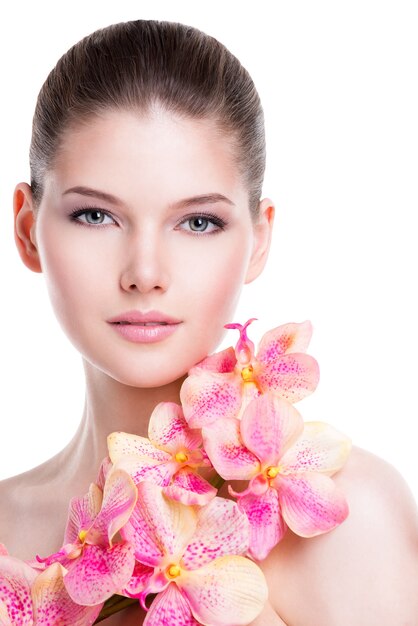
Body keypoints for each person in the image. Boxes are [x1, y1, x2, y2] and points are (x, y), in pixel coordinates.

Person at [1, 18, 417, 625]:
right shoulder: (8, 529)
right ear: (28, 230)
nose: (145, 272)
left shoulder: (344, 519)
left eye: (198, 222)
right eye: (95, 215)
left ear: (258, 238)